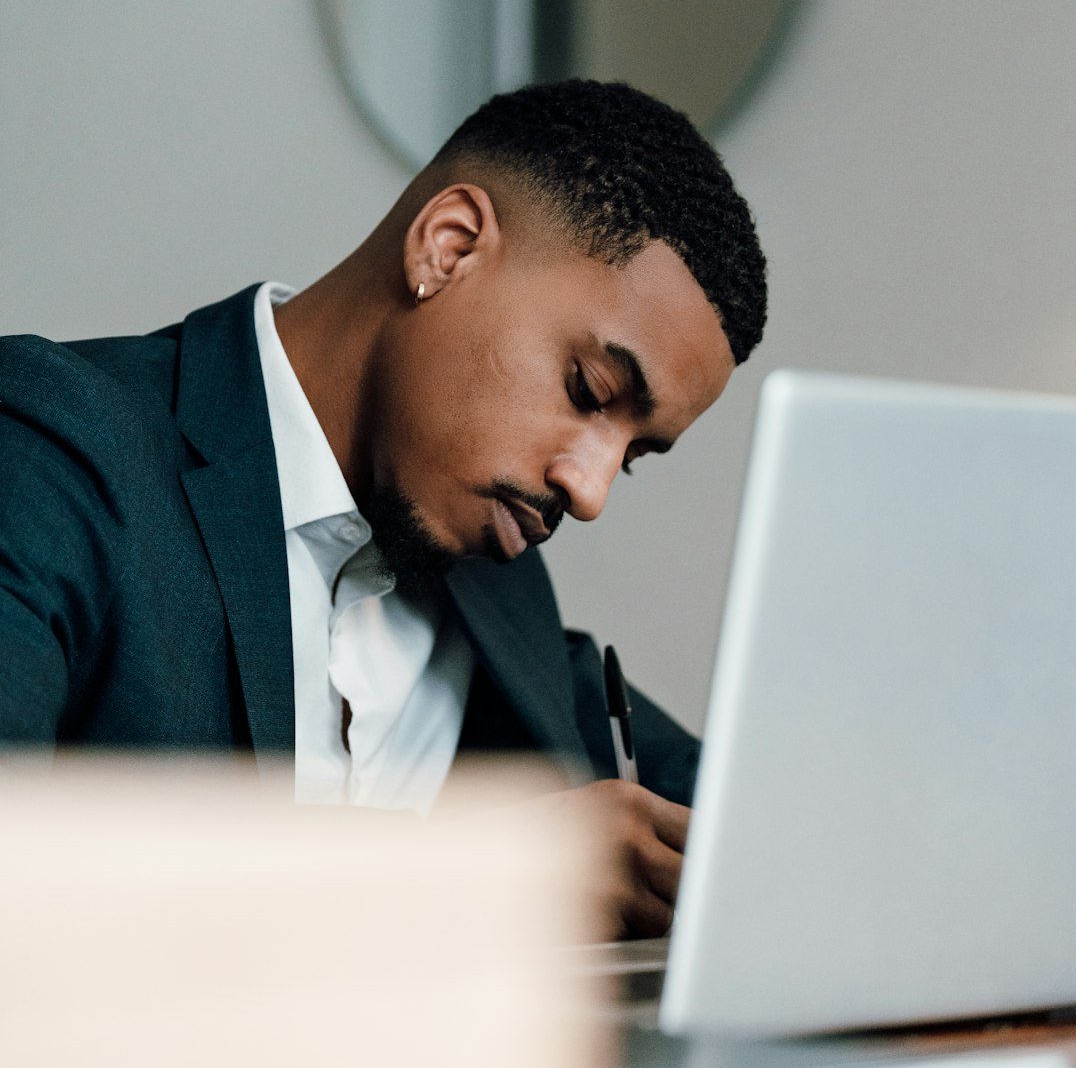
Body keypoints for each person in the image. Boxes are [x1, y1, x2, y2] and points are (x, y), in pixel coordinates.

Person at [0, 79, 766, 936]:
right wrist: (493, 871)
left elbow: (760, 823)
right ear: (448, 247)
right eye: (588, 389)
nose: (589, 491)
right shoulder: (49, 443)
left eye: (634, 457)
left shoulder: (498, 592)